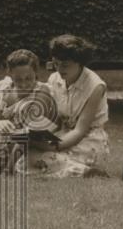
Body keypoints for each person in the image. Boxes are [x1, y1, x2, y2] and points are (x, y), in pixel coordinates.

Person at [17, 35, 110, 177]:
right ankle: (79, 170)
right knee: (26, 158)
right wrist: (35, 133)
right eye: (56, 63)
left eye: (65, 65)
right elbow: (53, 118)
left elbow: (80, 130)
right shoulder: (54, 79)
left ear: (80, 62)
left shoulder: (95, 86)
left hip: (87, 139)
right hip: (62, 134)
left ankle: (85, 171)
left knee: (42, 159)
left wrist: (55, 146)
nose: (59, 69)